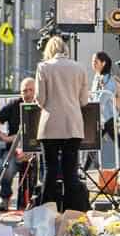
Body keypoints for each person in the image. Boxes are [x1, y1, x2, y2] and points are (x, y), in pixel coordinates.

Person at [36, 36, 90, 212]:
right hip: (73, 125)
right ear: (65, 49)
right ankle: (71, 214)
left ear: (49, 51)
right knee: (71, 173)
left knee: (50, 171)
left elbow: (40, 99)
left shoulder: (43, 67)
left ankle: (47, 214)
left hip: (50, 125)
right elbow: (83, 101)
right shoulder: (79, 68)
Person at [0, 77, 39, 211]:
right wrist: (6, 138)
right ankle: (4, 198)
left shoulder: (43, 104)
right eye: (24, 91)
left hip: (38, 151)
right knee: (7, 168)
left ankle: (42, 200)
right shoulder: (13, 105)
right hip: (15, 151)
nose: (27, 94)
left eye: (31, 90)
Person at [87, 51, 120, 170]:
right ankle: (83, 171)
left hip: (110, 118)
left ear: (103, 63)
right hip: (101, 118)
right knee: (92, 145)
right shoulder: (97, 78)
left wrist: (90, 104)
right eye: (92, 61)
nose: (93, 64)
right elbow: (94, 96)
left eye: (95, 61)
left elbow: (102, 99)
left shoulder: (109, 80)